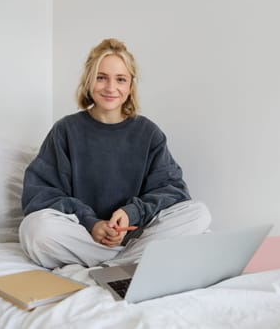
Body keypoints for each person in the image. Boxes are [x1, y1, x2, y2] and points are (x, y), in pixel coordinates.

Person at [19, 38, 211, 269]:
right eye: (101, 78)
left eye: (120, 79)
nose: (111, 88)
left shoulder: (148, 133)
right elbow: (40, 194)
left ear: (130, 86)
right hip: (83, 237)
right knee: (34, 229)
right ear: (89, 81)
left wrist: (132, 213)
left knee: (198, 214)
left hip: (136, 238)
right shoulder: (65, 130)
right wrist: (91, 223)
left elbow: (174, 190)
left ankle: (116, 265)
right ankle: (129, 265)